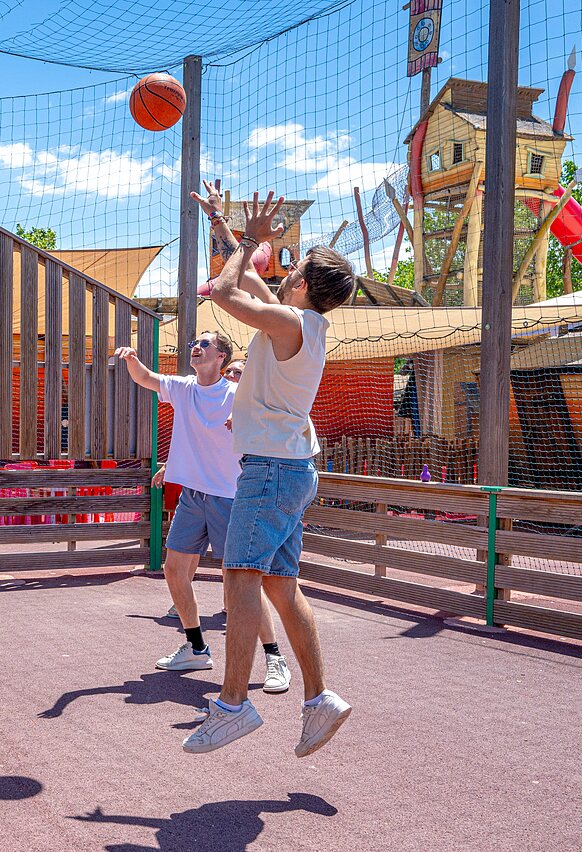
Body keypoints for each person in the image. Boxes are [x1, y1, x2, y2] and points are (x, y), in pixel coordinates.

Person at [182, 187, 355, 757]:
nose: (281, 268)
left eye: (292, 266)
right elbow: (251, 283)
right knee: (280, 584)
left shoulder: (290, 324)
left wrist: (255, 242)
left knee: (239, 577)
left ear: (303, 284)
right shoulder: (301, 324)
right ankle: (320, 699)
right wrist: (226, 228)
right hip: (290, 466)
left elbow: (227, 289)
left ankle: (232, 705)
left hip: (272, 470)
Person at [118, 332, 290, 696]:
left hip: (231, 499)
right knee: (174, 571)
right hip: (193, 498)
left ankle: (275, 658)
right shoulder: (183, 388)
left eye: (205, 344)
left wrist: (242, 422)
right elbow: (147, 378)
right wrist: (132, 358)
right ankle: (196, 648)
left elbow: (271, 421)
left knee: (243, 583)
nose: (196, 346)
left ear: (221, 357)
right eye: (195, 342)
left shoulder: (238, 394)